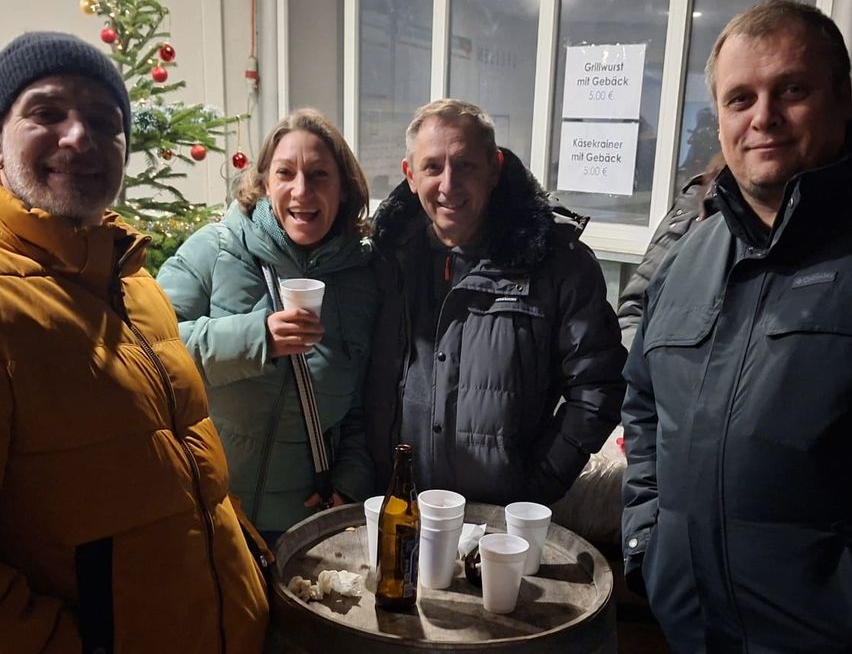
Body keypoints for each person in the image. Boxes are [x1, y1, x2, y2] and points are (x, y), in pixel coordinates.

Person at [0, 32, 268, 654]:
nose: (79, 136)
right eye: (45, 112)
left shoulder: (132, 279)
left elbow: (181, 462)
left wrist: (244, 570)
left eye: (102, 119)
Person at [621, 0, 852, 654]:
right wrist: (650, 534)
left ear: (841, 99)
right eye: (739, 98)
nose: (763, 118)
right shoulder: (692, 253)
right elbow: (643, 400)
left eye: (791, 91)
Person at [366, 99, 625, 504]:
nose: (448, 184)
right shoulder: (381, 262)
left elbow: (599, 383)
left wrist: (540, 482)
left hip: (499, 525)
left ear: (495, 168)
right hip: (395, 510)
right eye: (432, 167)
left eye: (465, 164)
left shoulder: (555, 263)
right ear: (410, 176)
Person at [158, 109, 378, 543]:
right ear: (263, 183)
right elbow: (148, 351)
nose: (302, 191)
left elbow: (363, 404)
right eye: (286, 173)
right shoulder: (216, 248)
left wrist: (349, 483)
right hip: (207, 507)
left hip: (303, 520)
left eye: (319, 175)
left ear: (343, 189)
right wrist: (255, 337)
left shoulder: (364, 279)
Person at [617, 152, 724, 350]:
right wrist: (643, 373)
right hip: (661, 373)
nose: (760, 121)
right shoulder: (698, 198)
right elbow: (635, 308)